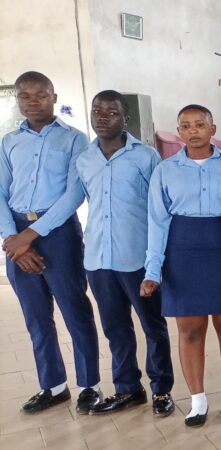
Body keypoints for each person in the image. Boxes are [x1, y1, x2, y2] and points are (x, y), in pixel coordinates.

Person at [1, 71, 102, 414]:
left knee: (76, 310)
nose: (33, 101)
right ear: (19, 100)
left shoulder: (75, 140)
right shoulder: (9, 142)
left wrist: (31, 235)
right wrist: (11, 238)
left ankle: (90, 384)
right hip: (16, 234)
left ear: (53, 97)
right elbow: (1, 192)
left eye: (40, 95)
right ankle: (54, 385)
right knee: (36, 317)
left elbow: (75, 193)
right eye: (25, 96)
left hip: (58, 235)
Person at [142, 104, 221, 427]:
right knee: (189, 329)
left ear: (213, 129)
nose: (193, 131)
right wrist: (152, 270)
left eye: (200, 124)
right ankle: (197, 401)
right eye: (185, 126)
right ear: (179, 132)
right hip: (182, 251)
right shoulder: (165, 170)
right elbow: (157, 222)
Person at [75, 90, 174, 417]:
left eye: (111, 112)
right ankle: (127, 389)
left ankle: (161, 390)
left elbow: (159, 210)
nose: (103, 117)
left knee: (153, 325)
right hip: (99, 258)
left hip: (138, 258)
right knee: (115, 327)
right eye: (97, 111)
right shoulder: (85, 159)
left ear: (125, 119)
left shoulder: (145, 157)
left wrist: (155, 262)